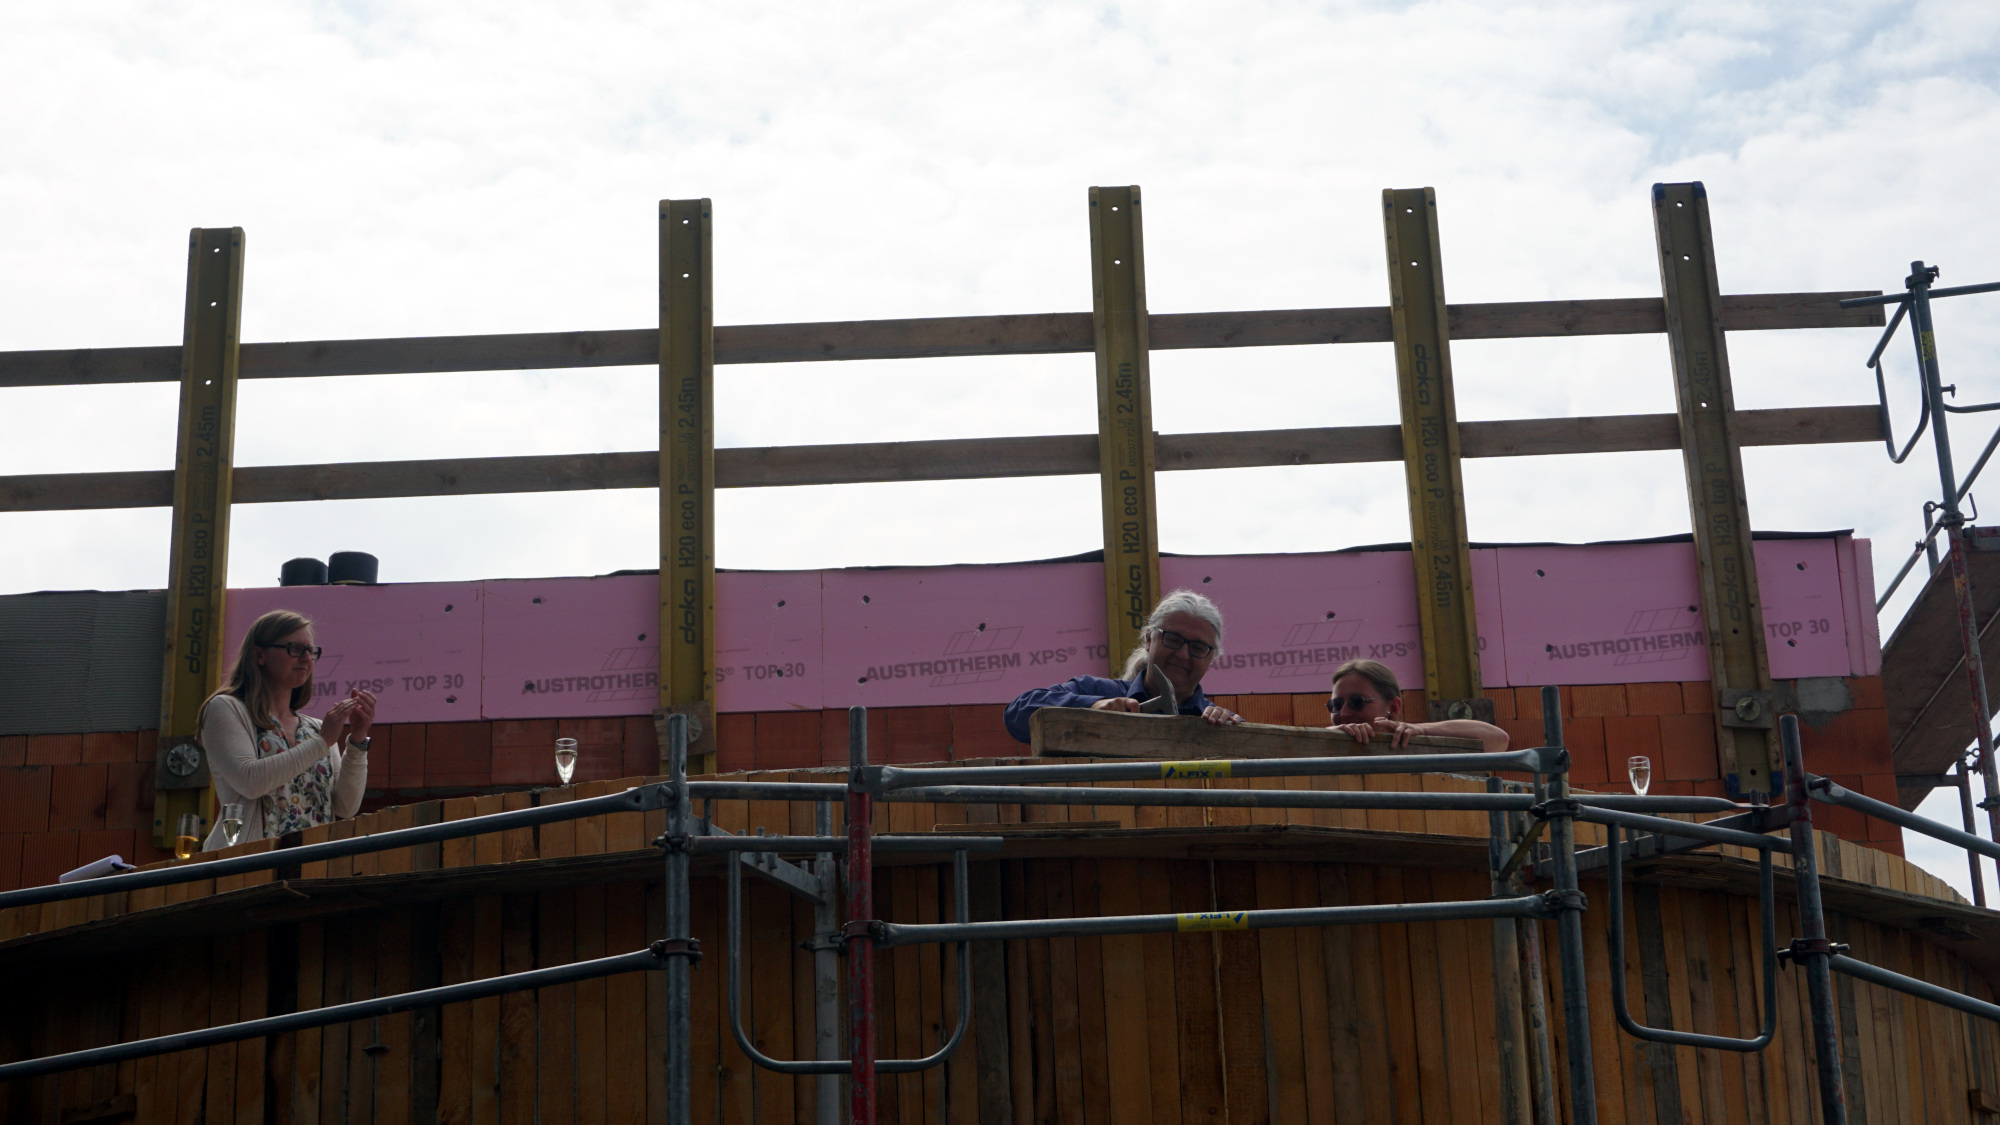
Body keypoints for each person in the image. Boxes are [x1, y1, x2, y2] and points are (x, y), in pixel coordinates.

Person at [197, 609, 376, 849]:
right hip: (245, 870)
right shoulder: (226, 708)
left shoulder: (317, 729)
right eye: (295, 648)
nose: (306, 658)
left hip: (311, 871)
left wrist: (357, 740)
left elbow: (345, 807)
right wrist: (322, 743)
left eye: (311, 651)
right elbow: (251, 781)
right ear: (259, 655)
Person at [1004, 590, 1242, 743]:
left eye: (1198, 647)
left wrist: (1233, 732)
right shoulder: (1094, 692)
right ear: (1149, 640)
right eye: (1173, 639)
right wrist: (1091, 707)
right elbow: (1018, 712)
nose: (1182, 654)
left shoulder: (1217, 722)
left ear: (1211, 658)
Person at [1323, 658, 1509, 753]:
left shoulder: (1413, 745)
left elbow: (1498, 740)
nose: (1345, 713)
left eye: (1357, 702)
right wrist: (1327, 736)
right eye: (1336, 704)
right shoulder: (1318, 747)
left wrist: (1417, 730)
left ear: (1394, 707)